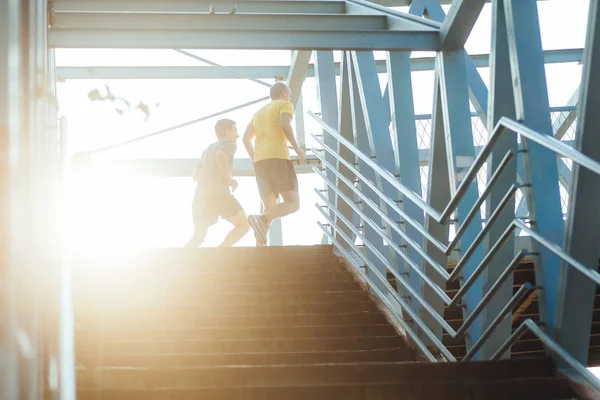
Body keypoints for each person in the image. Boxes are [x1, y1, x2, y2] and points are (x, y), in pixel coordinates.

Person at [243, 82, 306, 246]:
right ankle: (261, 219)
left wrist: (255, 157)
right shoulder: (285, 104)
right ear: (284, 93)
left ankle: (260, 249)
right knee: (293, 203)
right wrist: (298, 149)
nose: (290, 98)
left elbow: (245, 138)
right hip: (278, 157)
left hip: (260, 162)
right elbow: (284, 124)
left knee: (270, 207)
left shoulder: (258, 113)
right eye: (290, 95)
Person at [184, 119, 250, 248]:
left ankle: (179, 260)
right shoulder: (230, 144)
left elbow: (195, 175)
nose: (237, 135)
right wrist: (228, 179)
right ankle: (221, 251)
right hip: (221, 195)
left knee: (198, 237)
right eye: (235, 130)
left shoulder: (207, 150)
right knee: (244, 225)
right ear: (227, 131)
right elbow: (220, 155)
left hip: (201, 197)